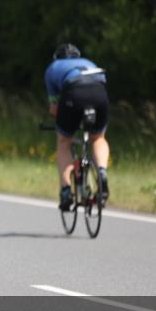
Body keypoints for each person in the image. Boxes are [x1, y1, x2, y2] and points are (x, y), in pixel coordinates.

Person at [44, 43, 110, 210]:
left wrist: (62, 123)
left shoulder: (53, 68)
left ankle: (66, 191)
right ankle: (102, 173)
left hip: (73, 90)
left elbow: (54, 109)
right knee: (98, 137)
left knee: (64, 143)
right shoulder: (89, 62)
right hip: (99, 92)